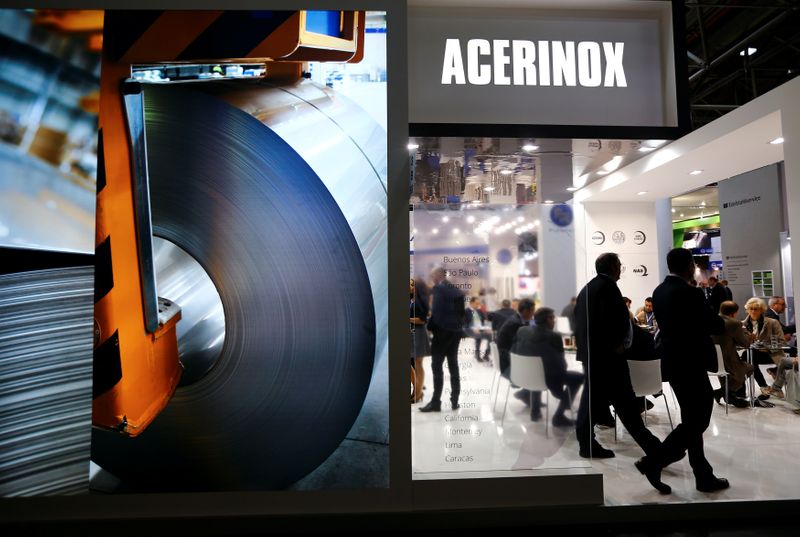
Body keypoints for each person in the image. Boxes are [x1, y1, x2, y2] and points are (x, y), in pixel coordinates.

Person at [636, 248, 727, 495]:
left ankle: (703, 475)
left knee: (691, 420)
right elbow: (714, 324)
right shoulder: (690, 293)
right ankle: (653, 461)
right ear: (689, 266)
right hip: (691, 363)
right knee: (700, 419)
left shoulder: (659, 291)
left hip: (673, 363)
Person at [574, 253, 663, 460]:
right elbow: (612, 320)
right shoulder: (607, 287)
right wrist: (617, 346)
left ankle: (652, 447)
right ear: (614, 267)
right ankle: (653, 448)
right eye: (619, 266)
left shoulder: (587, 288)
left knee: (608, 402)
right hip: (608, 356)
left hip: (594, 354)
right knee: (622, 403)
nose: (620, 269)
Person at [512, 307, 584, 427]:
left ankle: (535, 412)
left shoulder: (523, 331)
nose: (554, 321)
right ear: (548, 319)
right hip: (547, 378)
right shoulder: (554, 336)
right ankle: (559, 416)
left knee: (537, 369)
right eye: (553, 318)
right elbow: (561, 366)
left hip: (525, 376)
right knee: (579, 377)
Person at [420, 267, 465, 412]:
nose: (432, 278)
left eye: (433, 275)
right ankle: (454, 400)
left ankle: (435, 402)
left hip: (442, 333)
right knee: (453, 365)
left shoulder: (439, 289)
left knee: (437, 366)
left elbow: (437, 313)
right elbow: (461, 315)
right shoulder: (457, 291)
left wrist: (430, 326)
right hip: (455, 332)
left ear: (439, 274)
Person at [496, 298, 543, 420]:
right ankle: (535, 410)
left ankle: (525, 394)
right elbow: (520, 348)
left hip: (510, 360)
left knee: (535, 365)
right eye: (533, 310)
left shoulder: (518, 320)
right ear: (526, 311)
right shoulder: (516, 324)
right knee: (537, 370)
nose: (533, 313)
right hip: (509, 366)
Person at [710, 301, 754, 408]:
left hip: (711, 360)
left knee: (730, 375)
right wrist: (750, 337)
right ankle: (721, 392)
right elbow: (745, 344)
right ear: (734, 313)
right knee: (750, 368)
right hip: (728, 360)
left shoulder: (711, 320)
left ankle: (729, 395)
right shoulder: (734, 323)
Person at [743, 297, 785, 395]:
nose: (753, 311)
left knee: (747, 357)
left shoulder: (772, 322)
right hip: (753, 354)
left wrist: (767, 348)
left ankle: (765, 386)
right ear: (747, 309)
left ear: (761, 310)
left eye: (756, 309)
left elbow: (782, 341)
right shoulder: (742, 325)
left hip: (771, 354)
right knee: (748, 356)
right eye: (751, 308)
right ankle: (764, 386)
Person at [410, 278, 431, 404]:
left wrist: (408, 319)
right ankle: (417, 392)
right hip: (414, 333)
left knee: (418, 364)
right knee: (415, 364)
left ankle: (418, 394)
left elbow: (422, 320)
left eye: (412, 284)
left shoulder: (420, 301)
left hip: (419, 333)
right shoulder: (413, 299)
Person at [465, 297, 490, 362]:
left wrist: (487, 328)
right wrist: (473, 328)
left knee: (491, 336)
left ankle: (486, 355)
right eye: (476, 303)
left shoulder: (479, 311)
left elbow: (484, 321)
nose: (478, 305)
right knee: (483, 336)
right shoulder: (466, 311)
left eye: (479, 304)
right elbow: (464, 324)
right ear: (471, 303)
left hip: (480, 329)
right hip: (470, 330)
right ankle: (478, 354)